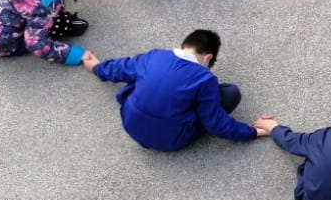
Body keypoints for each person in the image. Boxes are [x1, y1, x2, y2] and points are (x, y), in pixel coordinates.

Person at [83, 29, 275, 152]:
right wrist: (252, 132)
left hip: (131, 125)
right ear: (208, 57)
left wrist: (97, 67)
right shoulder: (205, 78)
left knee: (147, 80)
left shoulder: (154, 56)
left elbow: (122, 68)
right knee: (229, 94)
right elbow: (214, 122)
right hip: (169, 141)